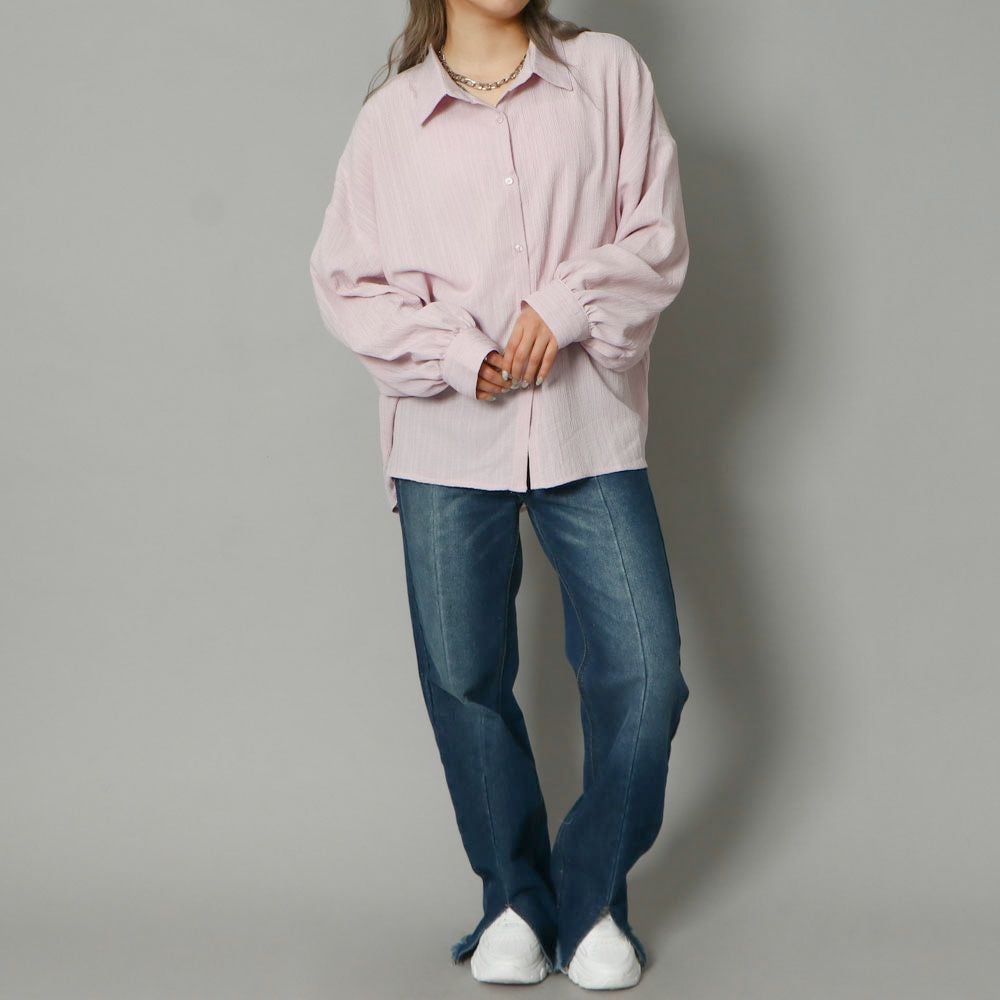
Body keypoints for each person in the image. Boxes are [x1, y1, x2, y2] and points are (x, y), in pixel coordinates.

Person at [308, 0, 691, 989]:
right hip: (444, 439)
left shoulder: (606, 74)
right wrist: (452, 353)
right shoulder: (391, 121)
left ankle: (591, 896)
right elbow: (346, 280)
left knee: (645, 675)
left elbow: (655, 234)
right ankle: (514, 900)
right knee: (464, 676)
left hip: (586, 426)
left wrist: (565, 305)